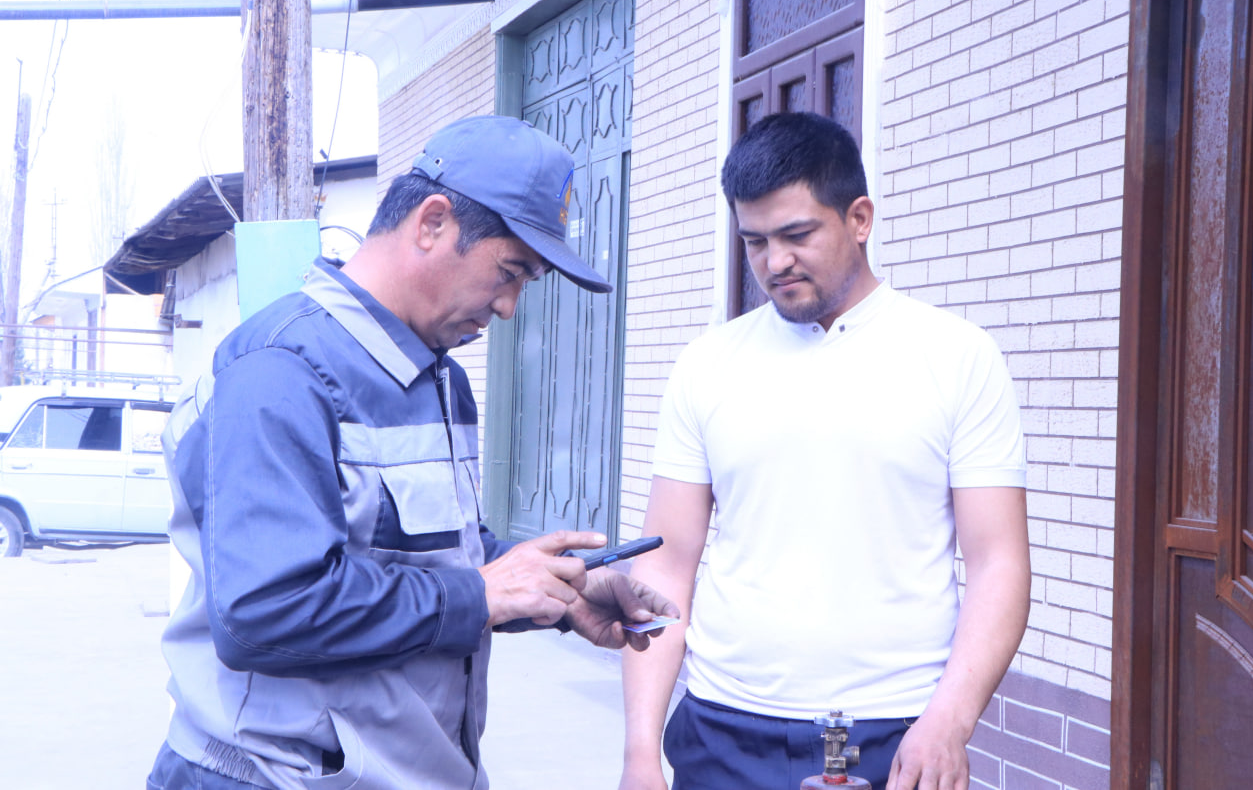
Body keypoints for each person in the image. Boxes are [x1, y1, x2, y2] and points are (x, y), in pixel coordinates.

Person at [147, 115, 678, 790]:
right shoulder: (281, 371)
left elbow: (430, 555)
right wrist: (481, 593)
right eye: (509, 272)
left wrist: (559, 589)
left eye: (528, 283)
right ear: (432, 222)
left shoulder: (440, 378)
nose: (510, 308)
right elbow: (266, 610)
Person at [618, 112, 1030, 790]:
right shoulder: (708, 364)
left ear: (859, 219)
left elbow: (999, 563)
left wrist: (948, 721)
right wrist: (639, 751)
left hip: (896, 733)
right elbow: (667, 563)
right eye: (754, 241)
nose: (774, 261)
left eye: (796, 234)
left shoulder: (958, 357)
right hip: (721, 729)